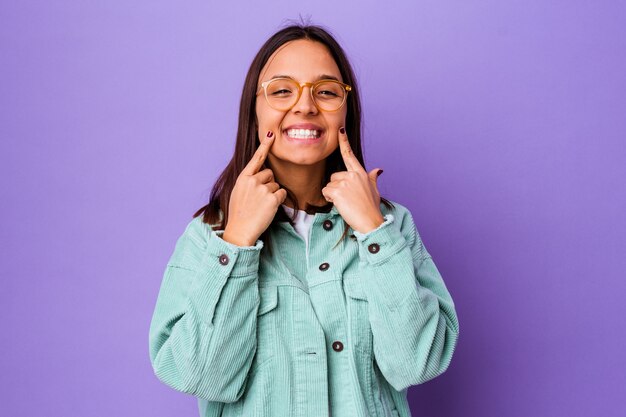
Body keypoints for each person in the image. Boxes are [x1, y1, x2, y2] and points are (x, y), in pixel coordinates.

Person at [149, 22, 459, 417]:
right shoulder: (207, 236)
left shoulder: (392, 227)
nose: (305, 105)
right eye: (281, 90)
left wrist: (373, 231)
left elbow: (418, 364)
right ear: (254, 110)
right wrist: (238, 241)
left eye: (326, 91)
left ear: (346, 111)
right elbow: (200, 376)